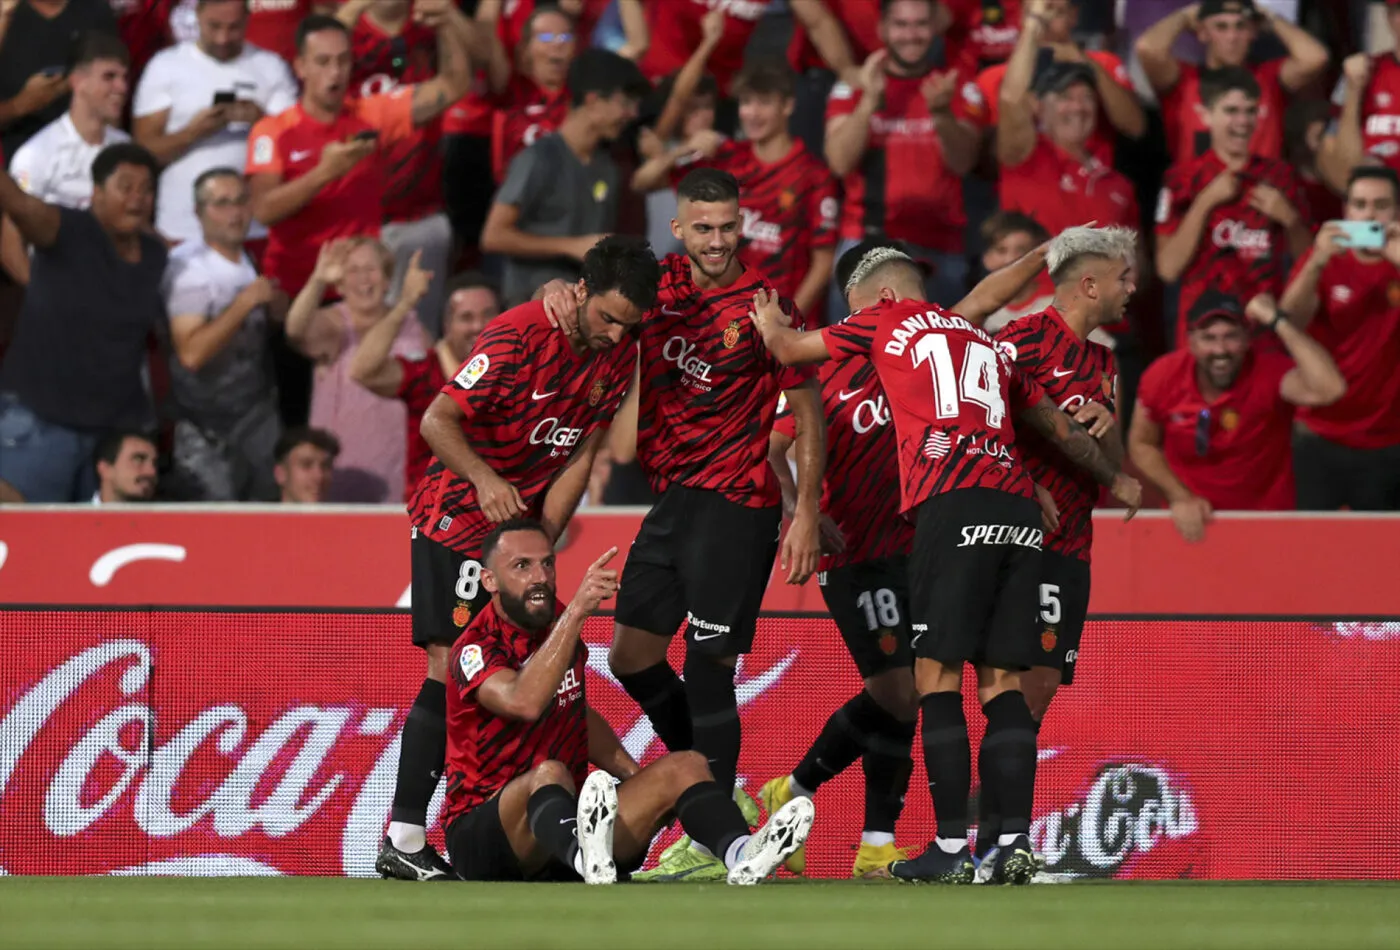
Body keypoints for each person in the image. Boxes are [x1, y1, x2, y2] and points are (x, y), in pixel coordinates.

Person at [748, 240, 1141, 886]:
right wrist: (1098, 479)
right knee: (1003, 684)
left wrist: (771, 326)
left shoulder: (888, 319)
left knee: (935, 678)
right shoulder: (983, 339)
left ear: (879, 300)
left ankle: (951, 847)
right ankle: (1013, 844)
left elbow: (791, 352)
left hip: (950, 505)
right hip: (1018, 504)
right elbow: (1038, 415)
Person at [541, 168, 827, 883]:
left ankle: (709, 842)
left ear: (743, 224)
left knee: (709, 668)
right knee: (631, 655)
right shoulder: (655, 288)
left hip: (737, 503)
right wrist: (557, 293)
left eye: (729, 227)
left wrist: (808, 512)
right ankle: (713, 792)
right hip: (671, 502)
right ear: (678, 227)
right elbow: (594, 307)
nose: (718, 240)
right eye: (703, 227)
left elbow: (808, 412)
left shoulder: (766, 305)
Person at [377, 235, 660, 881]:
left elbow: (583, 448)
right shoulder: (516, 335)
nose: (617, 334)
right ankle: (406, 835)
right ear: (580, 291)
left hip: (518, 534)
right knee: (450, 663)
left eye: (629, 324)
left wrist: (547, 531)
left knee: (543, 671)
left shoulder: (618, 356)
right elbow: (436, 422)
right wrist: (485, 480)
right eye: (608, 317)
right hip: (456, 519)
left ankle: (525, 826)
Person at [440, 518, 814, 885]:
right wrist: (576, 614)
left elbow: (575, 710)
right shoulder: (476, 648)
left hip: (563, 829)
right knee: (550, 772)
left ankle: (742, 855)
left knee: (685, 766)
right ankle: (587, 857)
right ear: (489, 580)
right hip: (486, 839)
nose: (540, 576)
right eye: (522, 566)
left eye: (547, 563)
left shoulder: (556, 622)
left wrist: (636, 778)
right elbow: (524, 702)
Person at [976, 225, 1133, 876]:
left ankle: (992, 839)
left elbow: (1116, 472)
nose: (1131, 290)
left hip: (1075, 543)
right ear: (1089, 284)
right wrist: (1027, 481)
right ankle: (992, 842)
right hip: (1021, 542)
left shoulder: (1106, 361)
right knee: (1017, 688)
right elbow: (984, 428)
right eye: (1123, 278)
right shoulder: (1019, 341)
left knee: (1035, 700)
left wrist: (1110, 429)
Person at [246, 5, 470, 296]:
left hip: (358, 293)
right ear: (300, 66)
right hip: (296, 287)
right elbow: (263, 210)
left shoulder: (371, 115)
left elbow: (453, 86)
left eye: (343, 61)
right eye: (323, 62)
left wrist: (446, 23)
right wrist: (326, 173)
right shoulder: (273, 130)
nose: (335, 72)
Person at [0, 143, 166, 503]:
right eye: (125, 187)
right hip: (39, 421)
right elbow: (19, 203)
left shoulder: (157, 255)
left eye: (147, 189)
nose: (137, 198)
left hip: (109, 436)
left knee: (94, 545)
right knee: (25, 538)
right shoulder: (65, 230)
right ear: (96, 193)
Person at [1127, 291, 1346, 542]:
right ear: (1191, 342)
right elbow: (1141, 443)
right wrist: (1180, 496)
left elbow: (1331, 388)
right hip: (1192, 526)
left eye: (1230, 336)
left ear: (1247, 338)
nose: (1220, 349)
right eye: (1209, 338)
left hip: (1266, 528)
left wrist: (1278, 320)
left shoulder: (1269, 372)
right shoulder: (1163, 375)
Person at [631, 56, 838, 321]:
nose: (751, 113)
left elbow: (822, 263)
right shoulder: (725, 157)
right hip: (721, 317)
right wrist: (681, 150)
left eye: (763, 103)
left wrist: (786, 317)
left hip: (781, 322)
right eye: (746, 102)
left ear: (788, 105)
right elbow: (642, 183)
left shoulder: (813, 175)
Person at [824, 0, 981, 311]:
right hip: (866, 243)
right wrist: (870, 101)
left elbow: (964, 162)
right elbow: (839, 162)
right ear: (883, 28)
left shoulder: (956, 85)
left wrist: (941, 113)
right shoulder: (854, 86)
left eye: (920, 24)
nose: (911, 34)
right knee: (849, 357)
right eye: (901, 24)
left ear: (935, 27)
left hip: (940, 247)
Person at [479, 48, 649, 306]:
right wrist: (571, 246)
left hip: (582, 309)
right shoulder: (539, 158)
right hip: (531, 306)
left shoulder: (608, 168)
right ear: (593, 101)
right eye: (625, 102)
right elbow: (493, 236)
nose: (632, 114)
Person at [1155, 67, 1310, 348]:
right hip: (1203, 337)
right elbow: (1167, 268)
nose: (1243, 121)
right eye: (1231, 110)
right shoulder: (1181, 180)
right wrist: (1205, 202)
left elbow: (1308, 264)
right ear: (1205, 115)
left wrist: (1291, 219)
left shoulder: (1281, 177)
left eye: (1250, 111)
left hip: (1262, 336)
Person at [1277, 166, 1400, 511]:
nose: (1369, 215)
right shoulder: (1325, 260)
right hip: (1320, 435)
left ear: (1397, 211)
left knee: (1381, 561)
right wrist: (1316, 261)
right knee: (1313, 554)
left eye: (1381, 205)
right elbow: (1291, 321)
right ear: (1346, 211)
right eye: (1360, 204)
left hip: (1387, 440)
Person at [162, 168, 287, 502]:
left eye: (240, 201)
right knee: (214, 524)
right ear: (199, 213)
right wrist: (245, 302)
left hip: (257, 415)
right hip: (205, 426)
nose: (234, 212)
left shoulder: (254, 258)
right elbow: (191, 354)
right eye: (221, 203)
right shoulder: (188, 269)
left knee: (266, 517)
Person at [133, 0, 298, 245]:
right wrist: (192, 133)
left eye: (233, 28)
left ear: (247, 19)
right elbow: (143, 154)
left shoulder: (270, 67)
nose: (223, 38)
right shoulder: (166, 66)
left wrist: (261, 125)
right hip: (183, 229)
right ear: (197, 16)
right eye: (214, 26)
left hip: (254, 228)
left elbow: (293, 148)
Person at [286, 237, 431, 503]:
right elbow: (296, 330)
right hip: (337, 477)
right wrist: (318, 281)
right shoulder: (333, 324)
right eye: (353, 270)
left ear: (387, 280)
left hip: (398, 476)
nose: (363, 279)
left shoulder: (413, 327)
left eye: (371, 269)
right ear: (340, 285)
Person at [349, 272, 502, 499]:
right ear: (447, 325)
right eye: (466, 318)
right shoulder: (426, 371)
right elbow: (363, 371)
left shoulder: (519, 370)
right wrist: (405, 304)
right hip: (431, 516)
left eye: (488, 315)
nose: (478, 326)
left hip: (500, 514)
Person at [995, 3, 1139, 238]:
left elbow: (1135, 258)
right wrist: (1034, 25)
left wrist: (1081, 57)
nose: (1078, 107)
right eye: (1065, 97)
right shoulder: (1028, 158)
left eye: (1087, 98)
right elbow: (1012, 100)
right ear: (1038, 106)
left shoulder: (1117, 183)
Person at [2, 30, 132, 285]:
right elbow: (9, 236)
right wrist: (41, 296)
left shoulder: (126, 147)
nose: (122, 87)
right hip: (60, 288)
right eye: (109, 77)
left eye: (125, 78)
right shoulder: (37, 153)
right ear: (77, 81)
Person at [1134, 0, 1327, 167]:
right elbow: (1147, 48)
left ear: (1253, 32)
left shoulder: (1268, 77)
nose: (1232, 37)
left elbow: (1315, 57)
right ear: (1203, 33)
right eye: (1221, 27)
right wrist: (1185, 16)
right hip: (1195, 198)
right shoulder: (1185, 80)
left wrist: (1270, 18)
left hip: (1259, 199)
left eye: (1241, 27)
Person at [960, 0, 1143, 165]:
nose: (1045, 21)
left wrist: (1085, 62)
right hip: (1027, 187)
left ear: (1074, 16)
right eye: (1036, 14)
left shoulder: (1105, 64)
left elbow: (1135, 127)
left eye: (1056, 12)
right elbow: (985, 159)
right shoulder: (992, 78)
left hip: (1091, 185)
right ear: (1022, 17)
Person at [0, 0, 118, 160]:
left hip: (86, 154)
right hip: (19, 161)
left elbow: (113, 88)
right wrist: (19, 105)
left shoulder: (95, 10)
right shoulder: (6, 16)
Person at [273, 425, 338, 503]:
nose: (319, 476)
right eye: (306, 465)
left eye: (326, 466)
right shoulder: (256, 514)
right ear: (280, 474)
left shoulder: (347, 514)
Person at [92, 430, 159, 504]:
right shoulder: (78, 513)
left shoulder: (165, 514)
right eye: (138, 459)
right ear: (105, 469)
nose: (152, 472)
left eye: (155, 463)